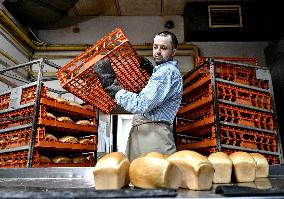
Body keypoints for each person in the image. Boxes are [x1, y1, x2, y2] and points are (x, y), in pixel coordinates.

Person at [96, 31, 183, 161]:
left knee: (155, 177)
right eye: (155, 47)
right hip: (144, 131)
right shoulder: (160, 72)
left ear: (173, 52)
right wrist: (150, 73)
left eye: (163, 48)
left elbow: (141, 104)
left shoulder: (167, 72)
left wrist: (112, 86)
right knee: (138, 177)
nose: (158, 51)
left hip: (154, 134)